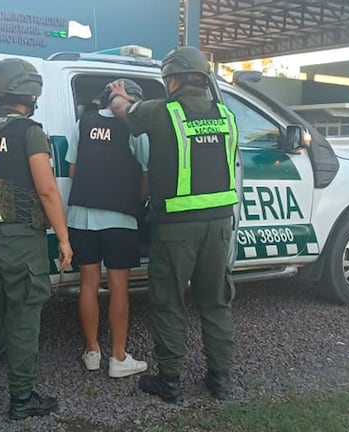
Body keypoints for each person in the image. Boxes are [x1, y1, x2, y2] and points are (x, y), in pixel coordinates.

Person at [107, 46, 243, 403]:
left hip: (176, 228)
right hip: (218, 226)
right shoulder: (227, 115)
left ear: (174, 79)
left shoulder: (162, 112)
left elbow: (124, 113)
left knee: (169, 302)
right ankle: (222, 380)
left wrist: (119, 96)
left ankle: (170, 381)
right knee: (215, 303)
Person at [0, 58, 72, 420]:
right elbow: (47, 190)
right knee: (23, 318)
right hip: (21, 240)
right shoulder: (29, 132)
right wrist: (64, 239)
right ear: (29, 93)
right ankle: (22, 400)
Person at [65, 79, 150, 378]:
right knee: (118, 287)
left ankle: (91, 352)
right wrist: (135, 202)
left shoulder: (83, 122)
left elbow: (73, 169)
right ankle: (118, 357)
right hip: (119, 218)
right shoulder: (135, 127)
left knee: (88, 284)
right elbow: (145, 174)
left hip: (80, 216)